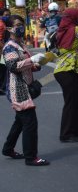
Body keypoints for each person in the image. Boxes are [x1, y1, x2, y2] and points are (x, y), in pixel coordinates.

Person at [1, 15, 50, 166]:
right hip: (19, 90)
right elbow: (13, 66)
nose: (20, 28)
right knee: (30, 123)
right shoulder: (9, 46)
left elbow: (23, 64)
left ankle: (8, 148)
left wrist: (37, 64)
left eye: (22, 25)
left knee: (21, 121)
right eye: (17, 25)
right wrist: (31, 60)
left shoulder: (19, 44)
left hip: (24, 86)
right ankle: (31, 157)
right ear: (9, 29)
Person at [53, 8, 78, 143]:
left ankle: (76, 132)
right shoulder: (76, 31)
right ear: (73, 18)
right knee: (70, 103)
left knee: (74, 102)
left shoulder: (63, 31)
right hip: (67, 71)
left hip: (65, 71)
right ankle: (66, 134)